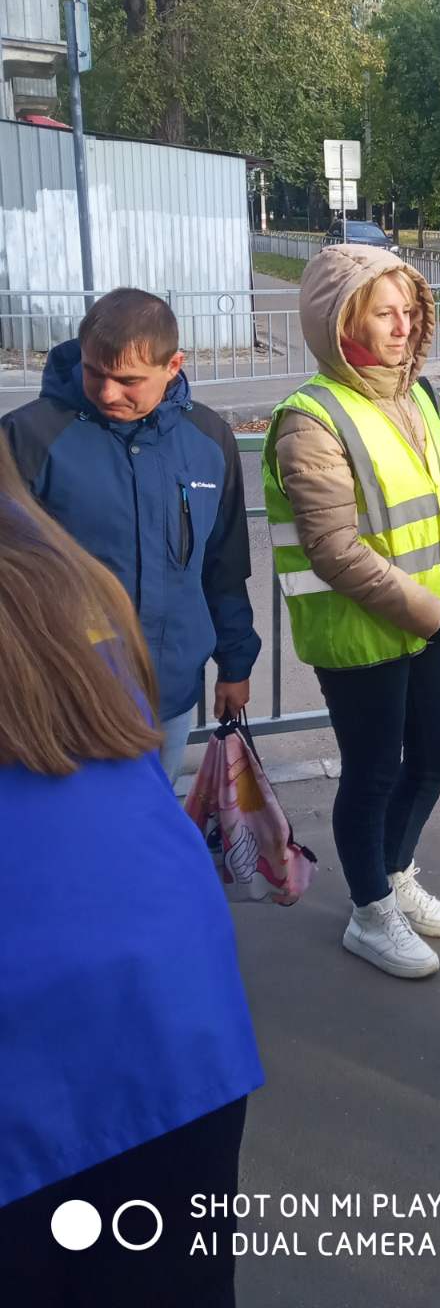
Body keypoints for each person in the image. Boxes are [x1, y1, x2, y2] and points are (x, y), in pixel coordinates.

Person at [0, 438, 262, 1308]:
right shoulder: (67, 573)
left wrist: (236, 653)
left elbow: (222, 555)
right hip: (173, 1011)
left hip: (53, 1049)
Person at [263, 244, 440, 980]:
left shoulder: (421, 396)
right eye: (384, 313)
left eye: (409, 311)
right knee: (374, 772)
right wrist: (435, 614)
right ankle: (369, 912)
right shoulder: (311, 418)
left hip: (426, 621)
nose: (403, 326)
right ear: (342, 321)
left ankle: (393, 872)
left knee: (438, 757)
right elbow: (333, 549)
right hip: (358, 635)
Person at [0, 289, 260, 779]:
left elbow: (223, 565)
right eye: (94, 371)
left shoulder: (208, 439)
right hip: (61, 697)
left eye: (129, 380)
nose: (107, 391)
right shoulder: (24, 439)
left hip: (171, 691)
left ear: (174, 365)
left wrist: (236, 663)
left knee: (150, 825)